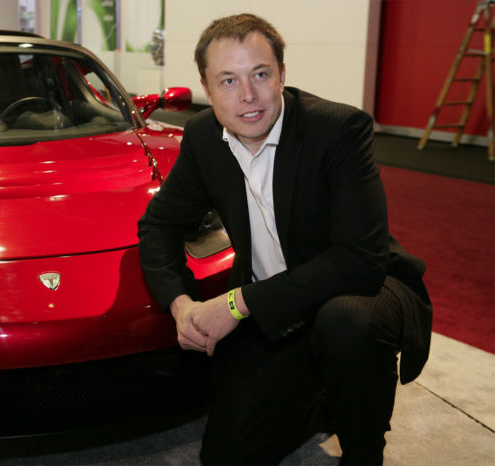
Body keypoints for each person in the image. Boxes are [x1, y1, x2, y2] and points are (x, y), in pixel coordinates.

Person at [137, 13, 432, 465]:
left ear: (282, 75)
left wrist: (235, 304)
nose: (247, 95)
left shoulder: (338, 130)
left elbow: (359, 260)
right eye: (228, 80)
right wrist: (182, 306)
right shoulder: (203, 137)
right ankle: (323, 393)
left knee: (346, 323)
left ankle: (364, 450)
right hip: (277, 308)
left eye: (260, 74)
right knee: (225, 458)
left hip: (360, 290)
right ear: (207, 88)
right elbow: (159, 224)